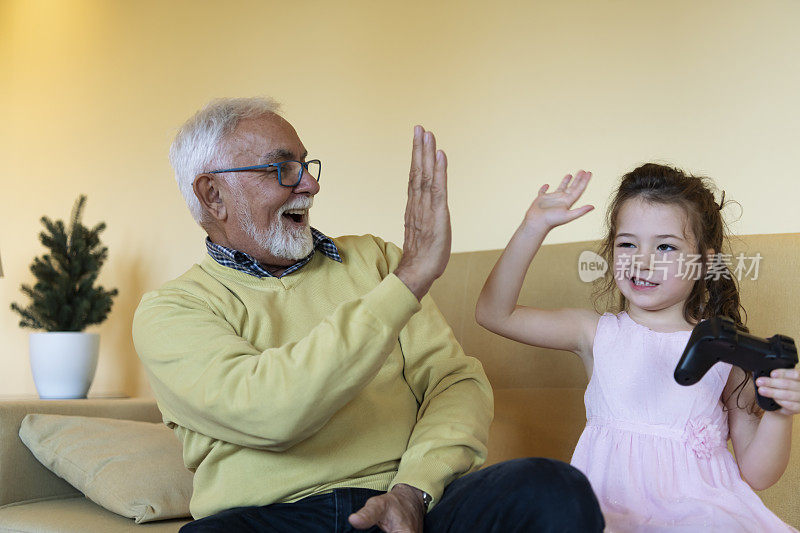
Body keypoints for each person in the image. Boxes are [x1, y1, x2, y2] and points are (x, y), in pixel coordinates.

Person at [133, 97, 604, 532]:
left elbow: (454, 383)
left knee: (550, 488)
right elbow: (270, 410)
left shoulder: (376, 260)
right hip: (271, 518)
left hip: (411, 504)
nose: (311, 184)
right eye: (282, 168)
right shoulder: (172, 311)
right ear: (213, 195)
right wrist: (408, 282)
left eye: (306, 165)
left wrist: (412, 491)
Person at [475, 164, 800, 532]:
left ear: (704, 263)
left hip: (699, 513)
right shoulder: (595, 333)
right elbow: (493, 313)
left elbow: (757, 474)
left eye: (665, 246)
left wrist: (778, 414)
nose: (641, 261)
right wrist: (533, 227)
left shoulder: (724, 352)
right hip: (609, 511)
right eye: (627, 243)